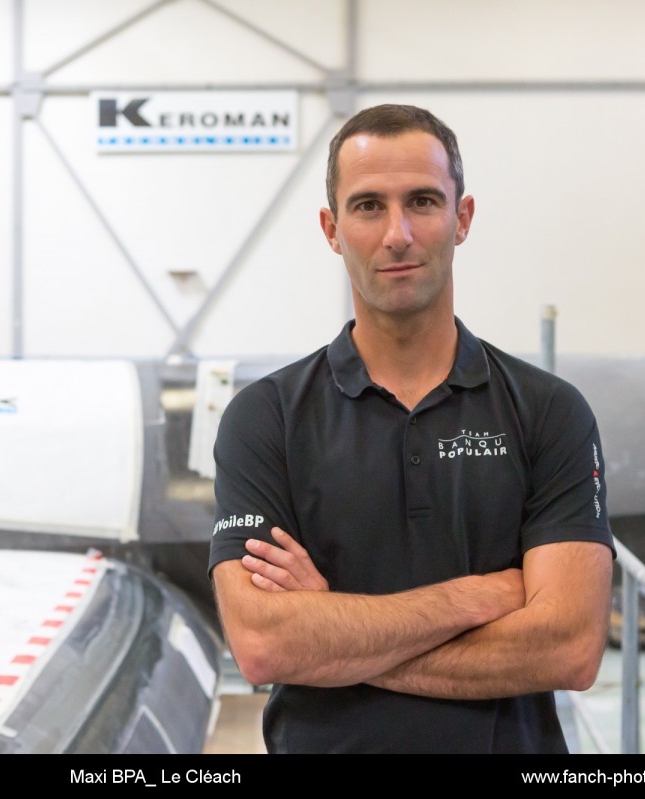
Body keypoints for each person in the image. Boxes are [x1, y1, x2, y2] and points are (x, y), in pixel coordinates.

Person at [208, 104, 615, 753]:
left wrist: (335, 633)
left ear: (463, 218)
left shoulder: (548, 411)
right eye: (368, 206)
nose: (397, 233)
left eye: (422, 201)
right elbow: (264, 644)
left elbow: (568, 647)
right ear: (332, 228)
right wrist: (479, 596)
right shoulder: (266, 418)